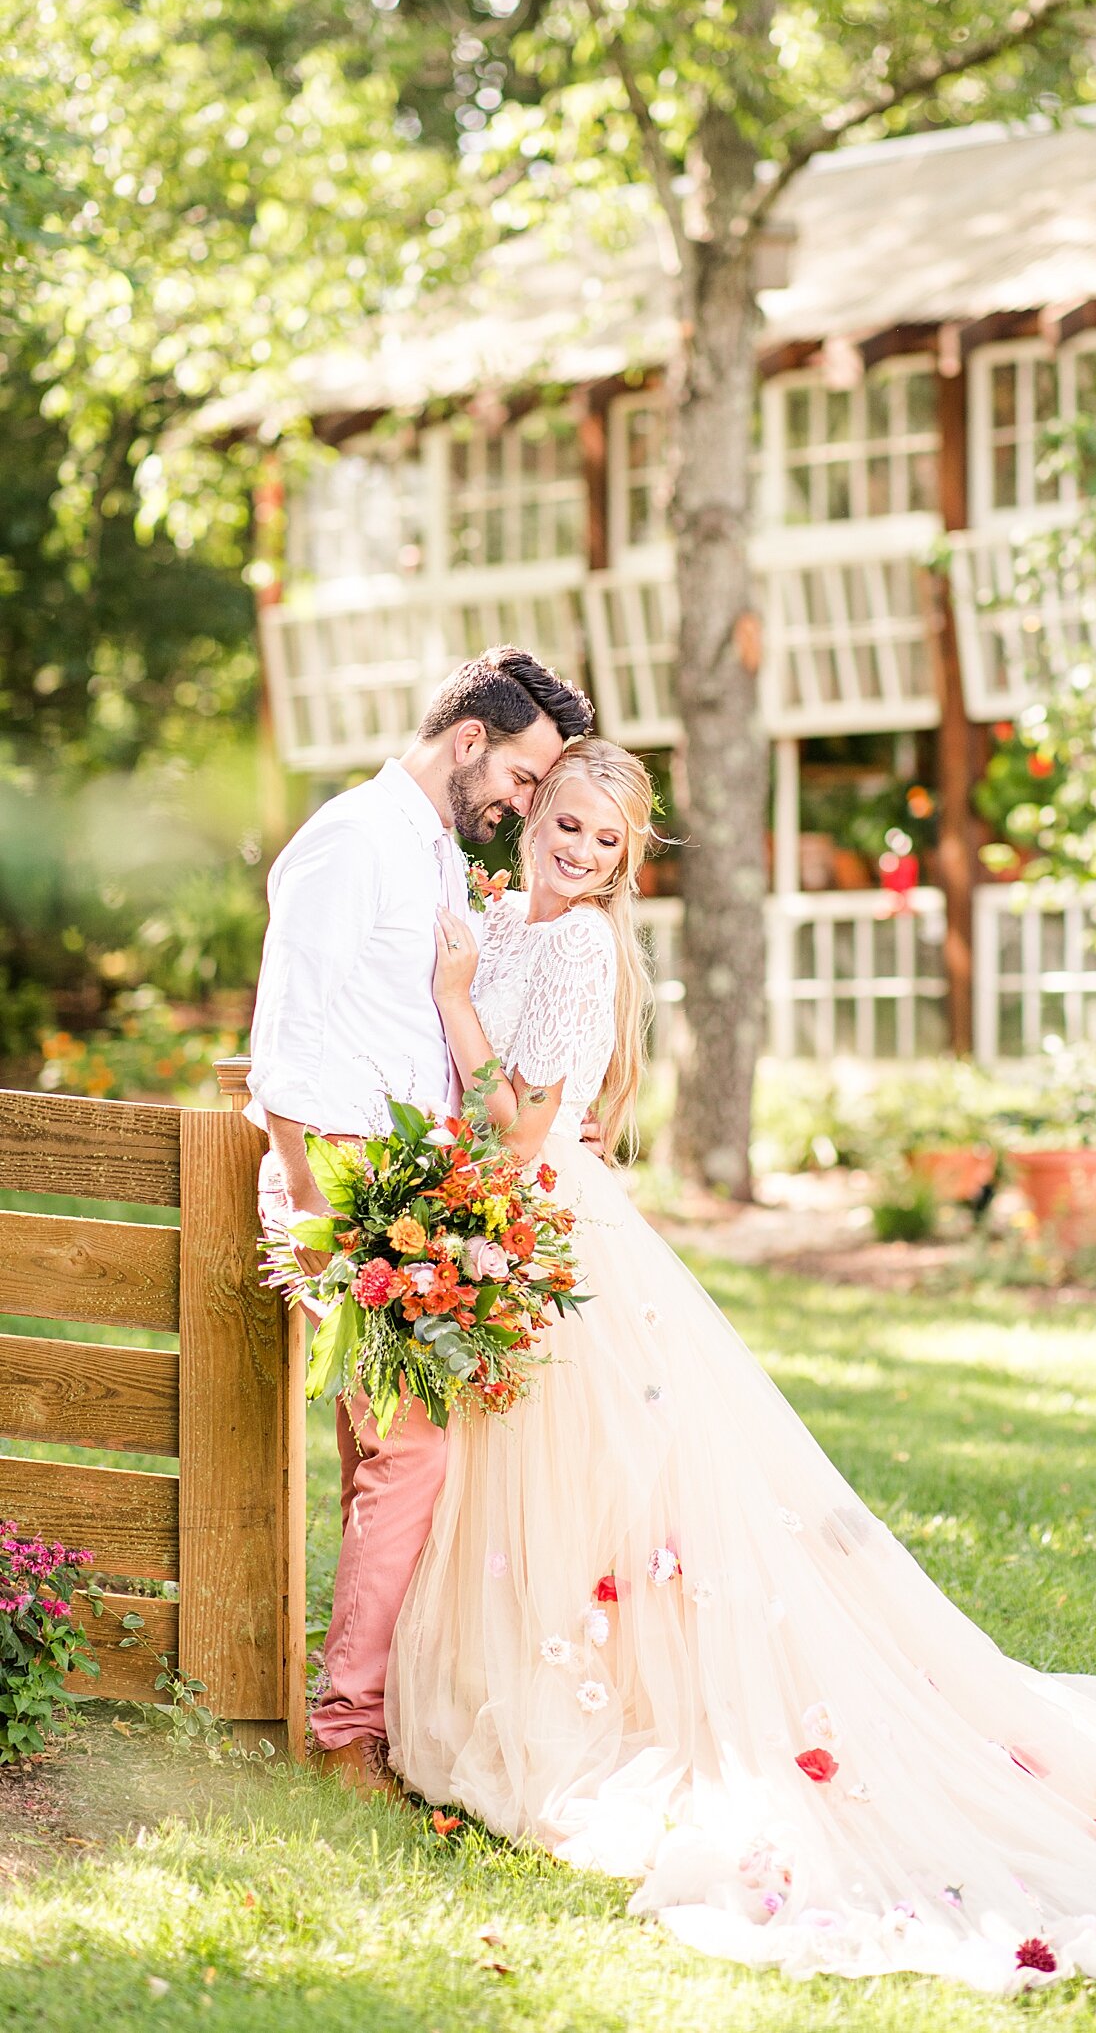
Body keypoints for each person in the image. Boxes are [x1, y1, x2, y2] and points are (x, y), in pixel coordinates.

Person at [388, 735, 1096, 1996]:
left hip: (555, 1232)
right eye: (569, 822)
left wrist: (457, 1003)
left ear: (627, 861)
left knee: (614, 1492)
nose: (580, 851)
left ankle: (608, 1718)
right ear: (530, 812)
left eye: (606, 840)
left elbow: (528, 1122)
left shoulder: (578, 953)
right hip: (506, 1232)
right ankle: (542, 1693)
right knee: (547, 1497)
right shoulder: (498, 917)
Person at [248, 645, 593, 1792]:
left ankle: (360, 1709)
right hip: (342, 1187)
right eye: (526, 779)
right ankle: (349, 1729)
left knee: (382, 1459)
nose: (526, 804)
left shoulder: (437, 854)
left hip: (411, 1189)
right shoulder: (351, 844)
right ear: (468, 742)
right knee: (412, 1453)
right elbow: (287, 1045)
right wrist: (317, 1213)